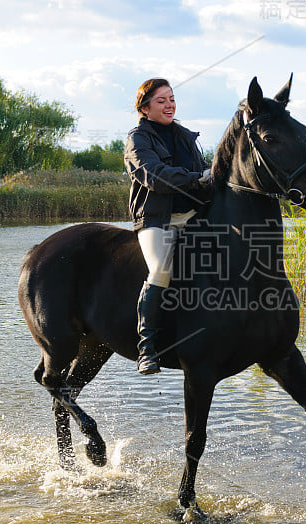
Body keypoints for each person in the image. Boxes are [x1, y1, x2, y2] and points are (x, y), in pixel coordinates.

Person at [124, 78, 213, 375]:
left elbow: (203, 176)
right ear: (145, 108)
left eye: (172, 99)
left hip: (193, 216)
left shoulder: (186, 137)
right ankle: (147, 347)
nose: (169, 105)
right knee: (161, 269)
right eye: (161, 101)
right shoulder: (138, 139)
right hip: (156, 219)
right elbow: (154, 175)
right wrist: (196, 178)